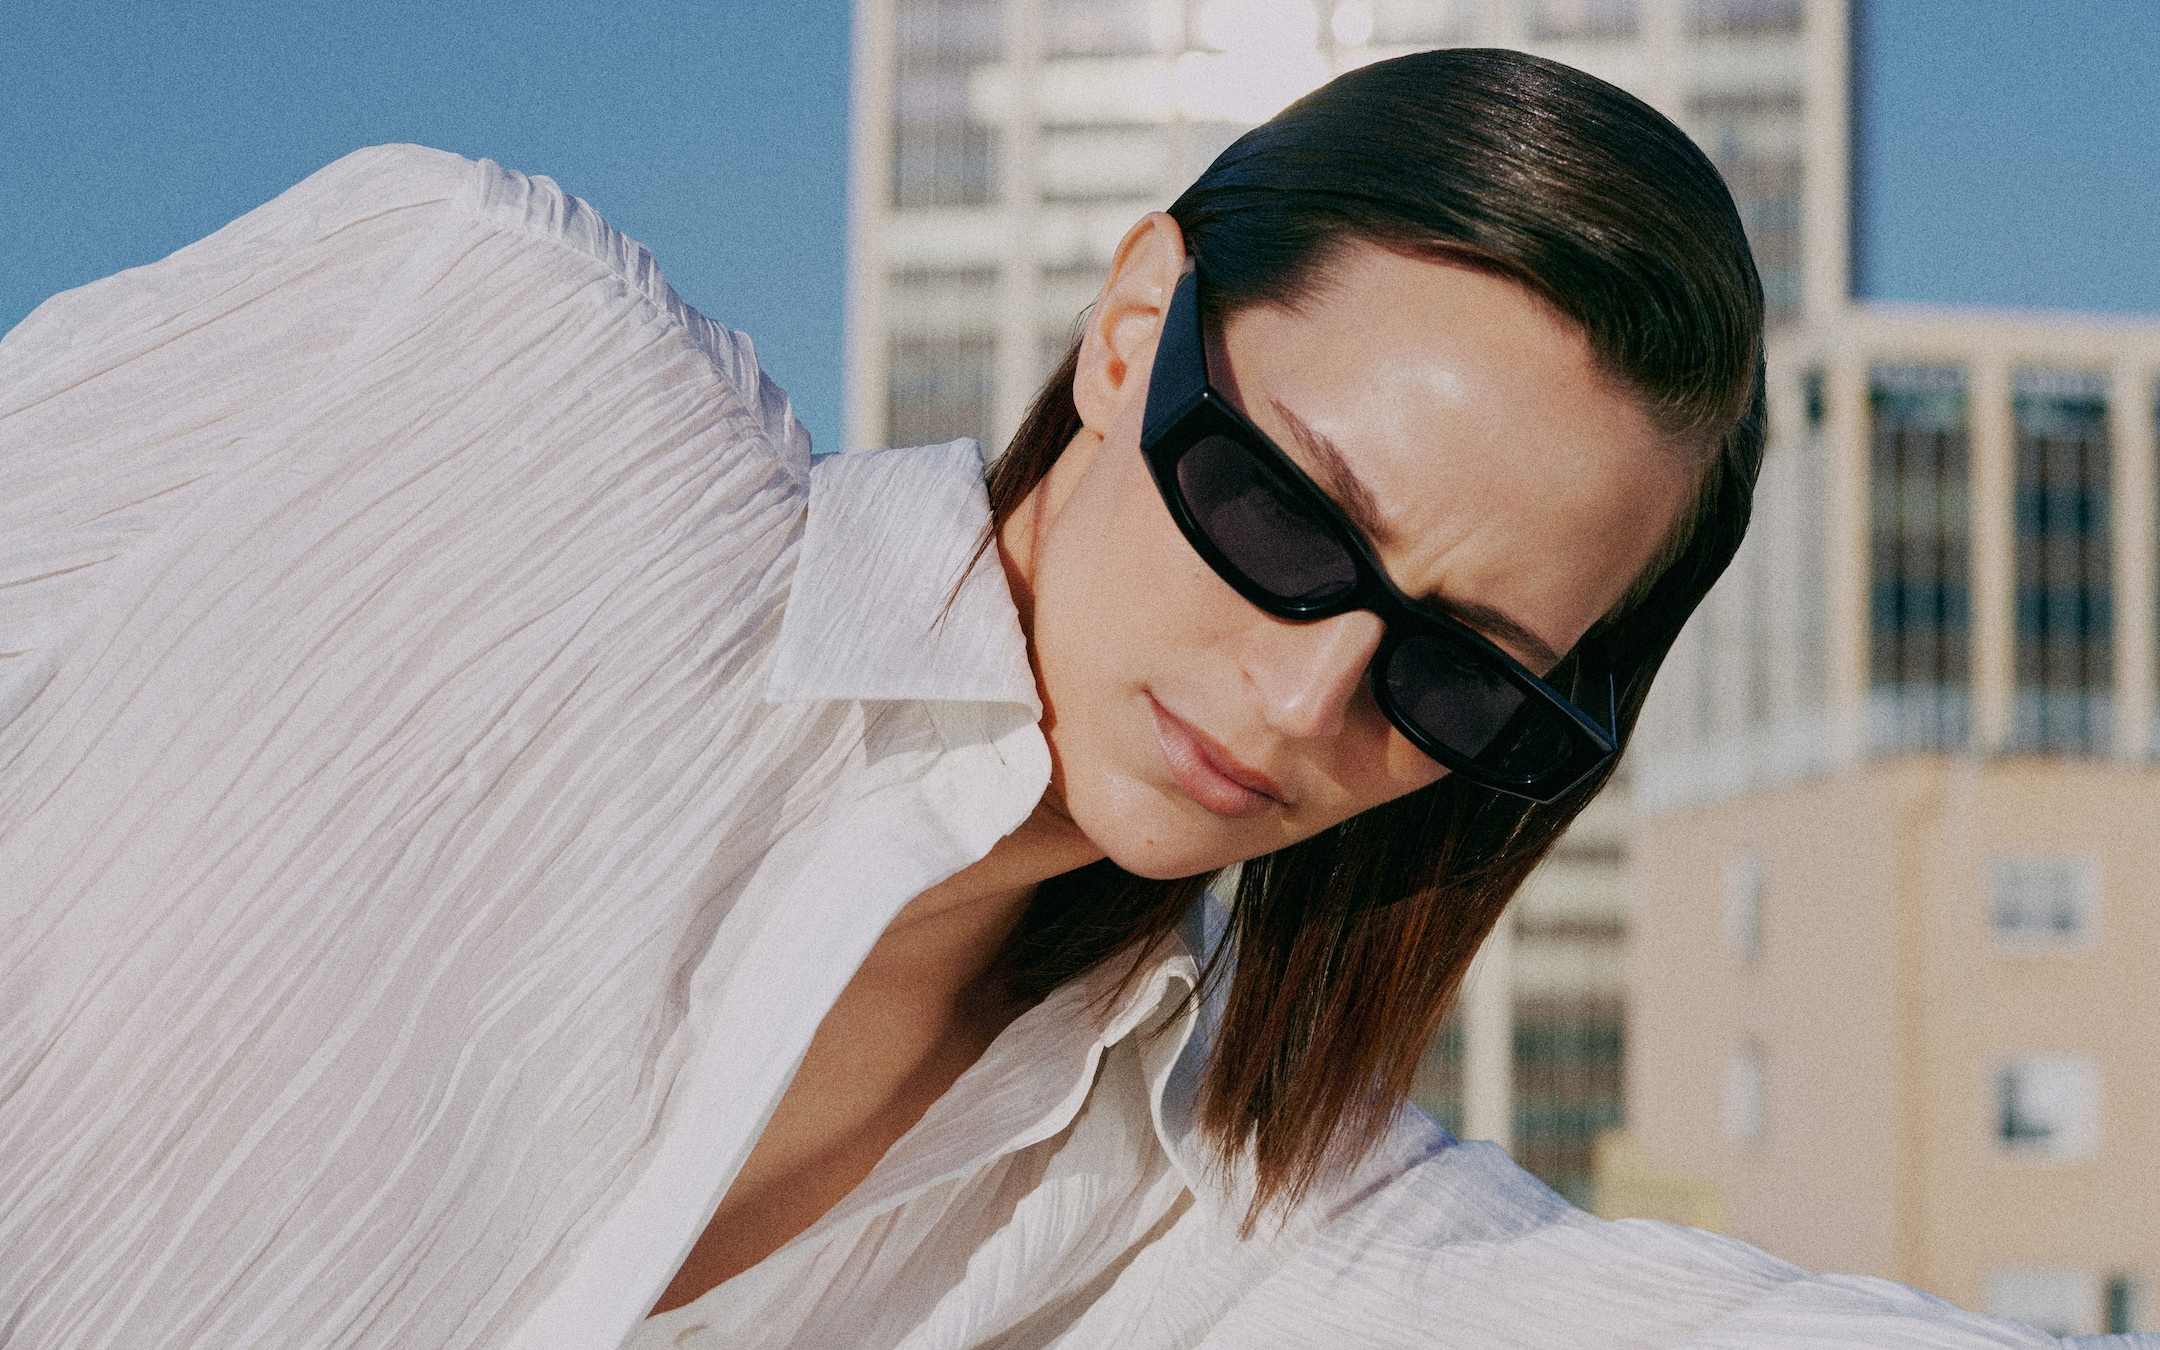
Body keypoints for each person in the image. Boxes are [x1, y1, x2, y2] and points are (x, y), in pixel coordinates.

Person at [0, 47, 2138, 1350]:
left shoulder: (1183, 1188)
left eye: (1466, 676)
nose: (1309, 694)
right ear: (1137, 333)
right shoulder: (482, 361)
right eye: (1294, 514)